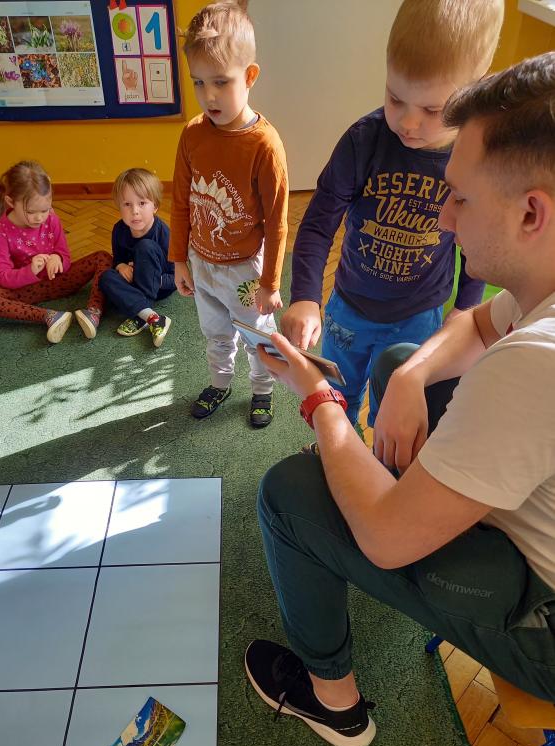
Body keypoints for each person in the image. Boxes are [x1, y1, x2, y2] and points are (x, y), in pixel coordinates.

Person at [245, 52, 555, 746]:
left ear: (531, 213)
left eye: (461, 198)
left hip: (544, 623)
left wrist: (319, 397)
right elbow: (477, 325)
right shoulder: (542, 286)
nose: (443, 218)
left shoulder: (535, 366)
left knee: (290, 493)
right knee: (395, 363)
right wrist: (411, 377)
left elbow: (385, 540)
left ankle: (335, 704)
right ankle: (404, 504)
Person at [282, 0, 504, 431]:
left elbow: (477, 239)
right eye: (395, 97)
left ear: (473, 94)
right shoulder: (362, 142)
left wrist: (466, 306)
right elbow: (319, 222)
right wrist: (306, 295)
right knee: (336, 394)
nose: (407, 122)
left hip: (419, 315)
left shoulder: (475, 158)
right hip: (350, 306)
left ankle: (378, 465)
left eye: (432, 110)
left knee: (396, 412)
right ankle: (334, 453)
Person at [168, 0, 289, 428]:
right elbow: (180, 202)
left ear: (250, 76)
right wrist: (179, 259)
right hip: (202, 263)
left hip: (245, 271)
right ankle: (220, 383)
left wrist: (270, 283)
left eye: (221, 81)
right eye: (199, 83)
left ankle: (262, 390)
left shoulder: (264, 145)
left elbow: (276, 224)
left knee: (259, 337)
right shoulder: (192, 134)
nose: (209, 95)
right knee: (215, 334)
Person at [0, 161, 112, 344]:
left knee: (102, 257)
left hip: (59, 281)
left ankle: (93, 312)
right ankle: (49, 316)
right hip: (26, 290)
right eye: (31, 212)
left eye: (45, 210)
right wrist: (29, 271)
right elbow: (1, 276)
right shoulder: (1, 231)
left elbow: (65, 257)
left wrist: (58, 258)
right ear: (10, 202)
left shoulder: (52, 218)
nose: (39, 218)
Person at [99, 168, 175, 347]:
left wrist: (151, 278)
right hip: (132, 282)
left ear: (155, 206)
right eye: (127, 204)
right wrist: (121, 266)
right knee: (106, 278)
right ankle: (151, 317)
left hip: (158, 286)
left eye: (142, 203)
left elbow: (176, 278)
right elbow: (117, 259)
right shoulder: (119, 230)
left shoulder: (164, 233)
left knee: (145, 246)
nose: (134, 211)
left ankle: (139, 313)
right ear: (119, 206)